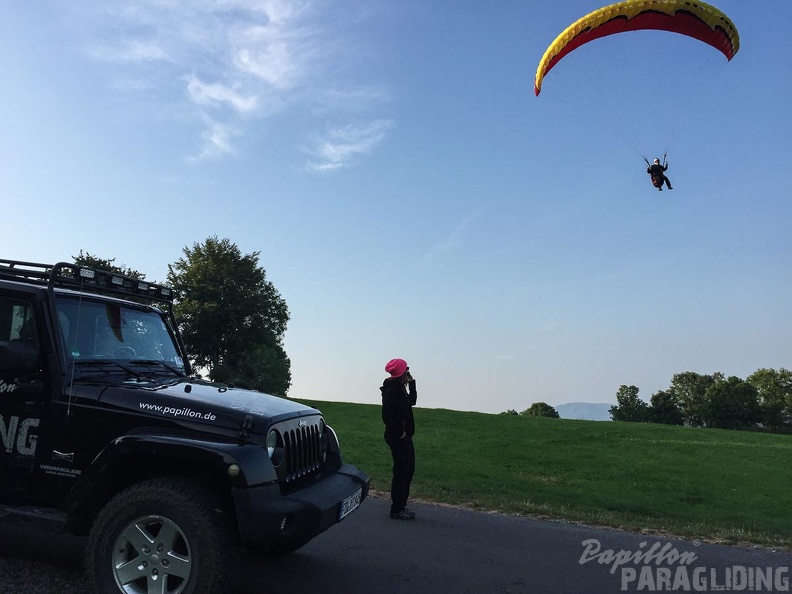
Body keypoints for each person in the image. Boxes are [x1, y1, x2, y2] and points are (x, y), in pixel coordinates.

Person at [380, 358, 417, 520]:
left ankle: (402, 505)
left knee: (408, 469)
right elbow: (386, 416)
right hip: (397, 438)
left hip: (405, 436)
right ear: (401, 372)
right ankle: (397, 509)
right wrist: (400, 432)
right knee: (401, 471)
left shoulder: (400, 387)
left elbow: (412, 402)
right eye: (406, 369)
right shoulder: (391, 391)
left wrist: (412, 383)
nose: (408, 371)